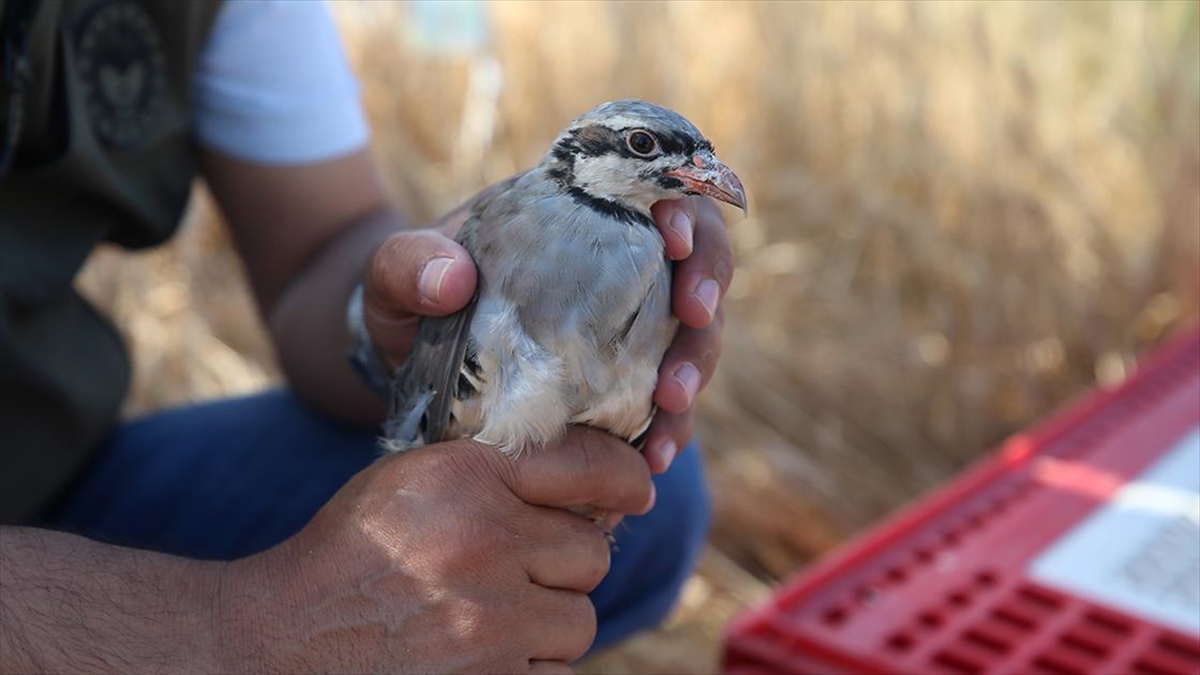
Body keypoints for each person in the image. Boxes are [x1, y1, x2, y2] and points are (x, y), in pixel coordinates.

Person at [0, 2, 732, 672]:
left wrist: (392, 303)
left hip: (56, 459)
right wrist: (235, 630)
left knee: (650, 496)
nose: (688, 172)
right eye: (644, 147)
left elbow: (320, 248)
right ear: (585, 153)